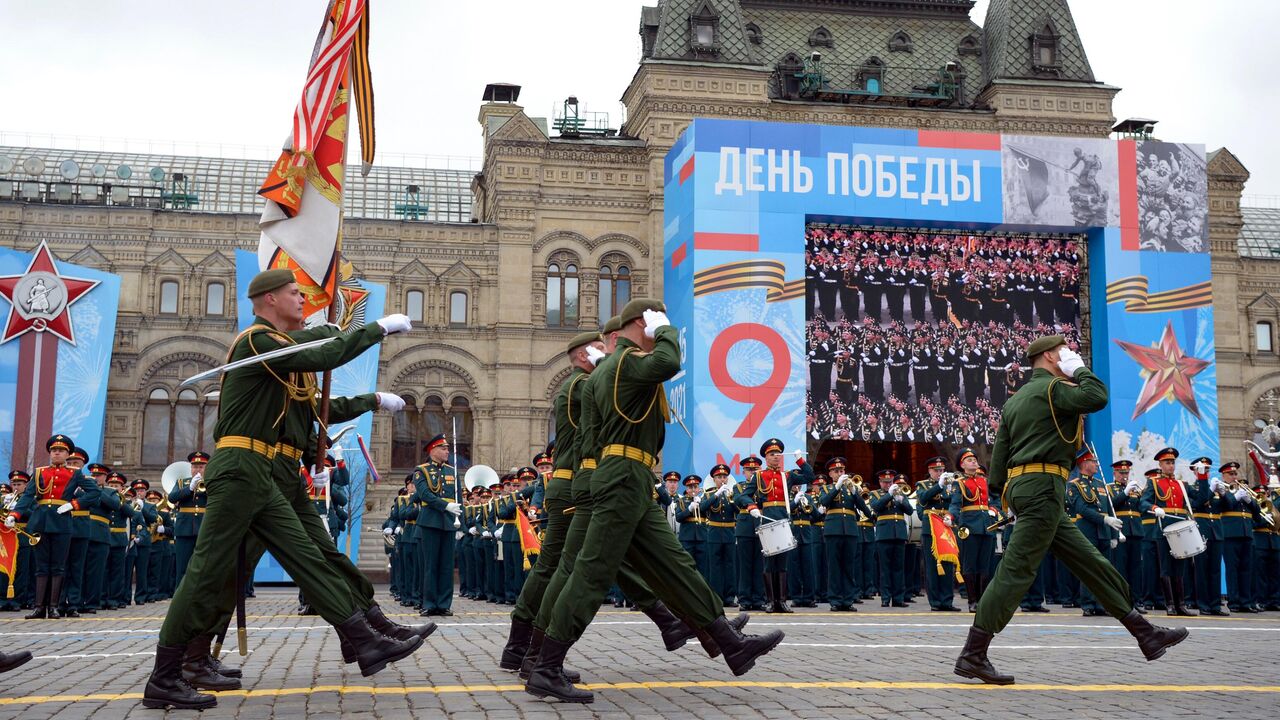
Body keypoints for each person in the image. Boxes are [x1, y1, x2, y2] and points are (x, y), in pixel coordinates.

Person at [141, 268, 424, 710]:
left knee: (309, 555)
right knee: (208, 572)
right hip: (242, 466)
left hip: (267, 469)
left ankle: (364, 637)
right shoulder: (256, 341)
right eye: (294, 293)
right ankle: (165, 674)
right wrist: (375, 329)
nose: (301, 300)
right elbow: (325, 357)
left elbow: (311, 407)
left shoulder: (282, 353)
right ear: (269, 299)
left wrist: (367, 401)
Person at [530, 301, 782, 703]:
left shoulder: (603, 374)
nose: (662, 328)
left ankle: (728, 642)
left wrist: (595, 480)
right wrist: (664, 331)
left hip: (627, 478)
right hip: (624, 477)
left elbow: (590, 439)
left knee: (673, 563)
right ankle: (544, 666)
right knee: (591, 574)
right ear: (640, 324)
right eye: (655, 320)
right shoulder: (626, 363)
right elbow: (667, 362)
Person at [954, 335, 1188, 685]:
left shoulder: (1015, 401)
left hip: (1030, 489)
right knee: (1016, 570)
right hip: (1044, 488)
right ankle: (973, 654)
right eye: (1064, 351)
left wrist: (1010, 497)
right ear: (1051, 355)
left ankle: (1144, 633)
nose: (1069, 355)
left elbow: (999, 462)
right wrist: (1077, 369)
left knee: (1090, 562)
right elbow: (1097, 396)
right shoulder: (1054, 389)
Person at [498, 329, 601, 669]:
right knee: (563, 569)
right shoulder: (583, 385)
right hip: (573, 488)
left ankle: (521, 650)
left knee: (552, 568)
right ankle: (535, 655)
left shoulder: (572, 384)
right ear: (585, 355)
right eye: (601, 349)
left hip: (566, 487)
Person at [7, 435, 100, 619]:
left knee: (58, 566)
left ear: (67, 454)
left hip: (62, 521)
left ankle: (54, 607)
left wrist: (74, 504)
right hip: (40, 521)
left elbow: (94, 491)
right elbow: (28, 495)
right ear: (50, 453)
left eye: (61, 450)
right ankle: (39, 607)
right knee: (41, 566)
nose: (57, 453)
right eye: (54, 450)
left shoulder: (75, 473)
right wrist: (14, 514)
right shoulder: (40, 472)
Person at [741, 438, 813, 613]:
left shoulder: (787, 475)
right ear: (766, 457)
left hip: (783, 519)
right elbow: (742, 496)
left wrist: (800, 460)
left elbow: (809, 477)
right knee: (768, 563)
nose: (775, 457)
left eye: (778, 454)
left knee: (782, 563)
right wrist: (752, 507)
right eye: (772, 454)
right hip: (766, 519)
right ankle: (771, 602)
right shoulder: (759, 476)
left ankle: (781, 602)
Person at [1066, 448, 1122, 617]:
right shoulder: (1074, 485)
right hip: (1088, 531)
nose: (1096, 464)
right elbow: (1082, 509)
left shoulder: (1100, 484)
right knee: (1089, 568)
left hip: (1105, 532)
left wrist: (1114, 534)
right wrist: (1104, 520)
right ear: (1084, 463)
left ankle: (1101, 603)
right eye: (1093, 461)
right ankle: (1088, 603)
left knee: (1104, 570)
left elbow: (1109, 509)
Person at [1141, 448, 1196, 617]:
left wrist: (1203, 478)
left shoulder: (1181, 484)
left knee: (1179, 567)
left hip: (1180, 527)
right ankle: (1170, 604)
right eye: (1167, 462)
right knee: (1166, 567)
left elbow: (1201, 498)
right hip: (1163, 528)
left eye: (1172, 462)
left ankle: (1181, 605)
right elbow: (1143, 502)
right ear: (1160, 464)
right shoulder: (1154, 483)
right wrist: (1154, 507)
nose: (1171, 465)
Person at [915, 457, 960, 611]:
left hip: (945, 526)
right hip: (931, 528)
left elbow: (955, 501)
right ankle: (935, 602)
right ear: (929, 471)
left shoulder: (951, 485)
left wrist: (948, 485)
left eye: (941, 470)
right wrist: (939, 485)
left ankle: (947, 601)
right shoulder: (922, 485)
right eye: (936, 470)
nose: (940, 473)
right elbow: (923, 498)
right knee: (933, 566)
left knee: (948, 564)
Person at [168, 451, 210, 590]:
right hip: (184, 529)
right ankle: (181, 597)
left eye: (201, 466)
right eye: (195, 466)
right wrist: (189, 488)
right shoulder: (181, 482)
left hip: (204, 528)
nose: (197, 470)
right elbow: (172, 498)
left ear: (206, 468)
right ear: (190, 468)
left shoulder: (211, 482)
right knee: (182, 567)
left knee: (204, 566)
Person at [733, 455, 767, 610]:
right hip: (745, 527)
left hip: (760, 526)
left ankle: (758, 598)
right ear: (744, 471)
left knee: (759, 564)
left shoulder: (764, 486)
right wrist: (752, 504)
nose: (752, 473)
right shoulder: (739, 487)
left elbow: (765, 500)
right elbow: (739, 499)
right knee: (745, 565)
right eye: (749, 470)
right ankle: (745, 599)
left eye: (755, 469)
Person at [702, 464, 738, 605]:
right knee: (715, 566)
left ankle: (729, 597)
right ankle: (716, 597)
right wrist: (716, 495)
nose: (722, 480)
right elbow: (703, 508)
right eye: (719, 477)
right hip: (714, 533)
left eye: (724, 477)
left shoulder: (733, 494)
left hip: (729, 532)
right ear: (714, 479)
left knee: (730, 565)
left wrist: (731, 498)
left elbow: (738, 510)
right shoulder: (709, 494)